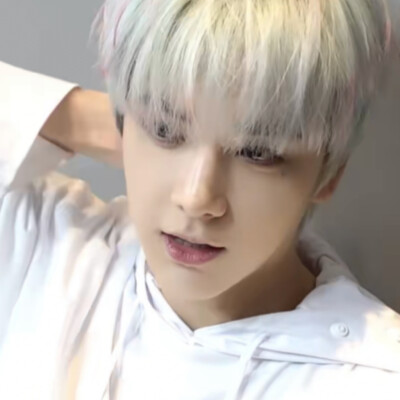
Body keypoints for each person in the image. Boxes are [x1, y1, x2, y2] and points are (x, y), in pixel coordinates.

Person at [1, 0, 400, 399]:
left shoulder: (374, 381)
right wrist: (120, 112)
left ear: (330, 172)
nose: (196, 198)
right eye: (163, 128)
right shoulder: (48, 245)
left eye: (257, 152)